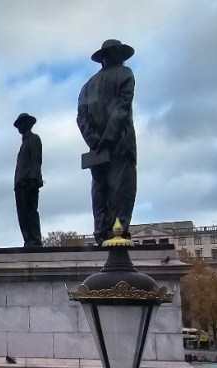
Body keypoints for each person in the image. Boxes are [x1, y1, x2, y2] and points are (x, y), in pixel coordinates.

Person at [76, 39, 138, 245]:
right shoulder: (125, 74)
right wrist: (108, 139)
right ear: (117, 56)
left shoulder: (86, 86)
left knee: (99, 189)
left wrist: (94, 140)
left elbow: (81, 117)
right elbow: (122, 106)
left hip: (97, 150)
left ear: (103, 59)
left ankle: (100, 231)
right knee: (121, 189)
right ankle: (117, 234)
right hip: (120, 144)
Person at [13, 112, 43, 247]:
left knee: (30, 212)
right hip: (20, 184)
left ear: (28, 124)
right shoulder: (24, 142)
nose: (20, 127)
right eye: (18, 124)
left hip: (29, 182)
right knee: (22, 215)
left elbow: (36, 161)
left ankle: (35, 240)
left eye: (22, 123)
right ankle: (28, 240)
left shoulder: (34, 139)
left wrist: (34, 179)